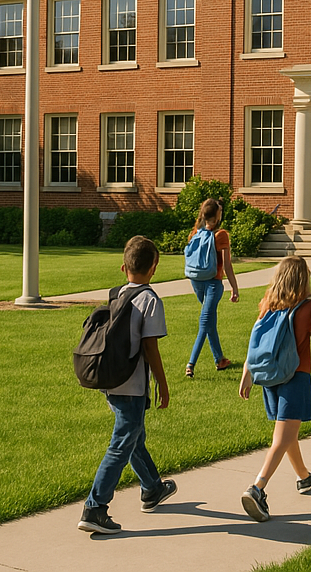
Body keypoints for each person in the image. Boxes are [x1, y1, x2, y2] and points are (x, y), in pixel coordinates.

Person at [77, 235, 176, 535]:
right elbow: (150, 348)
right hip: (132, 386)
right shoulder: (149, 300)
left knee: (134, 436)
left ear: (124, 268)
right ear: (154, 267)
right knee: (122, 445)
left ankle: (152, 488)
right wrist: (163, 384)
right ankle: (95, 508)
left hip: (110, 380)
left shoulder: (116, 293)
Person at [239, 256, 311, 522]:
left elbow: (255, 341)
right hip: (296, 376)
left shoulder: (268, 303)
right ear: (304, 278)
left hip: (270, 377)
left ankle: (303, 477)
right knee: (282, 438)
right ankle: (257, 489)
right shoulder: (309, 307)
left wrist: (247, 373)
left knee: (288, 431)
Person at [185, 199, 240, 378]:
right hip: (213, 283)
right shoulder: (221, 235)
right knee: (205, 323)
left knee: (209, 321)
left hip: (196, 281)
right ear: (217, 217)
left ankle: (220, 360)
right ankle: (191, 364)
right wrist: (234, 287)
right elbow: (227, 266)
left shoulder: (195, 233)